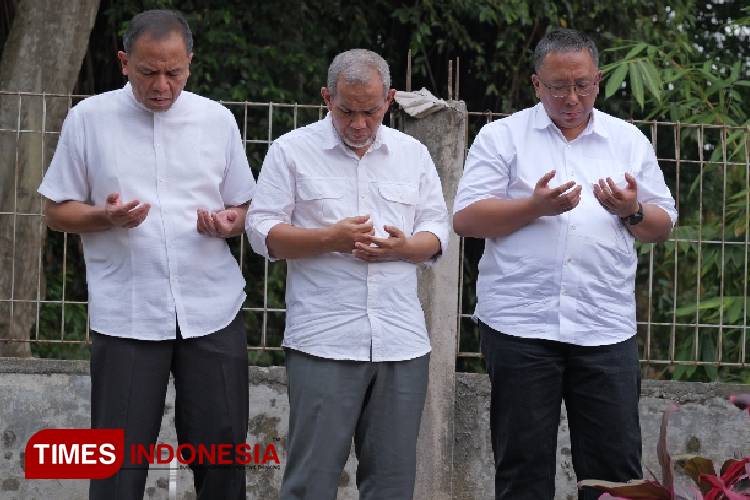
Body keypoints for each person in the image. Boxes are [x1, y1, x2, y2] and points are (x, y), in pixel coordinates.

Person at [37, 9, 255, 500]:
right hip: (127, 315)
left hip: (212, 311)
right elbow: (55, 211)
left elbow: (243, 205)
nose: (162, 85)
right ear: (123, 63)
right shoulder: (88, 119)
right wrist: (104, 218)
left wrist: (229, 223)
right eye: (147, 72)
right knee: (117, 465)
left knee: (222, 457)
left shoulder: (216, 120)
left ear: (190, 64)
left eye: (173, 72)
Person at [453, 29, 677, 500]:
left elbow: (661, 224)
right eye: (558, 86)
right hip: (520, 326)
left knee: (615, 474)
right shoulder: (502, 136)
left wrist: (630, 211)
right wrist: (533, 207)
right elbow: (467, 218)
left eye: (582, 85)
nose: (571, 97)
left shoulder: (627, 140)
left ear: (598, 80)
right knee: (523, 471)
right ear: (537, 84)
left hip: (604, 329)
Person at [246, 48, 450, 500]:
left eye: (371, 112)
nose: (359, 124)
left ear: (390, 100)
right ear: (326, 97)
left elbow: (437, 232)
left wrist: (402, 248)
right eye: (346, 111)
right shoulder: (291, 151)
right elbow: (263, 233)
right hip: (324, 340)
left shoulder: (412, 154)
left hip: (400, 341)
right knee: (310, 481)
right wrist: (330, 239)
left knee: (393, 484)